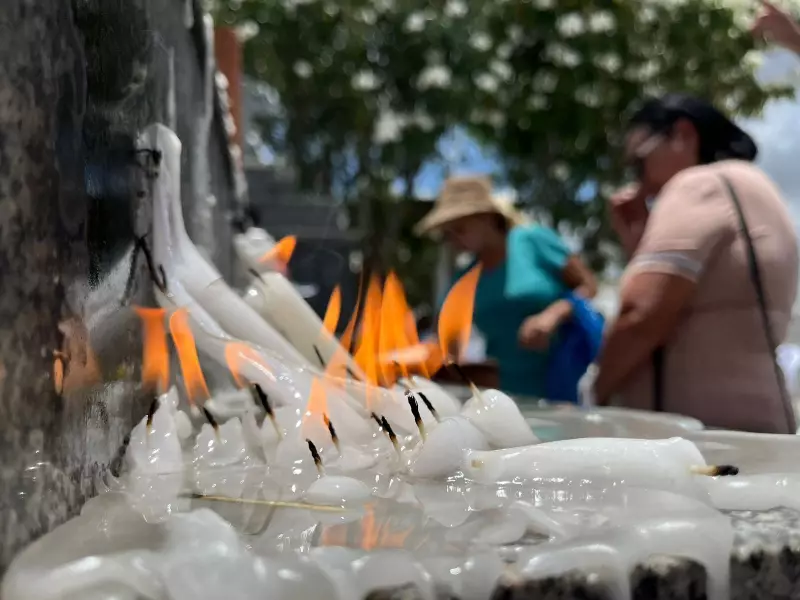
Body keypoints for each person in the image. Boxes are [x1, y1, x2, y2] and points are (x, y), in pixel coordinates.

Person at [594, 93, 799, 434]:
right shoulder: (755, 186)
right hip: (755, 425)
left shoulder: (698, 184)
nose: (638, 181)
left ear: (683, 135)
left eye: (639, 162)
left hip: (698, 437)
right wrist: (641, 243)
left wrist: (595, 390)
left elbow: (641, 313)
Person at [416, 175, 598, 399]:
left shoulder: (532, 240)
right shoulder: (464, 280)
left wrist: (553, 315)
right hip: (506, 393)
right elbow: (442, 342)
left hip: (564, 381)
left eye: (459, 229)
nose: (453, 240)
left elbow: (588, 285)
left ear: (486, 218)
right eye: (446, 234)